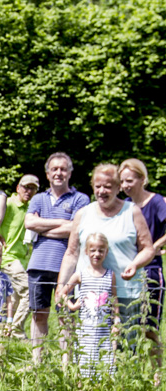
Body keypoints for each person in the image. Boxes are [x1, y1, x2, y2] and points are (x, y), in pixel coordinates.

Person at [58, 163, 154, 353]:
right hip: (91, 296)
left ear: (118, 188)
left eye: (108, 186)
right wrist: (61, 286)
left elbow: (148, 249)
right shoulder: (83, 214)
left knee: (125, 349)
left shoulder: (131, 211)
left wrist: (135, 264)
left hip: (126, 293)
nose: (102, 191)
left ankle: (121, 383)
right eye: (98, 186)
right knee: (90, 349)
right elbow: (71, 253)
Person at [24, 152, 90, 363]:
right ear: (47, 173)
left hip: (68, 266)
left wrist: (43, 225)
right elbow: (29, 224)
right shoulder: (38, 198)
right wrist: (62, 224)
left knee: (66, 316)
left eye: (63, 169)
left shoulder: (81, 199)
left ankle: (66, 364)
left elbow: (76, 228)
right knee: (38, 314)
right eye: (55, 169)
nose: (59, 173)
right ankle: (38, 363)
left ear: (70, 172)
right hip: (38, 264)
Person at [119, 158, 166, 361]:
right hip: (126, 272)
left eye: (129, 181)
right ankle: (128, 372)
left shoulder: (156, 202)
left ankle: (157, 379)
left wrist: (155, 246)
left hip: (151, 270)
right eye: (122, 182)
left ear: (142, 179)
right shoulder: (125, 205)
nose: (125, 186)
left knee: (149, 328)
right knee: (125, 325)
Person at [58, 233, 119, 377]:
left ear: (106, 252)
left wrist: (116, 320)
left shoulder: (110, 275)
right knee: (84, 362)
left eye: (100, 250)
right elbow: (62, 293)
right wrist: (72, 306)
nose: (96, 254)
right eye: (93, 250)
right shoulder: (81, 274)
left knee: (106, 362)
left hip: (104, 329)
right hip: (85, 329)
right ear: (86, 251)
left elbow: (114, 299)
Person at [0, 174, 39, 338]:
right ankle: (17, 330)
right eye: (25, 187)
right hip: (8, 258)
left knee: (12, 300)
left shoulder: (31, 208)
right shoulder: (7, 204)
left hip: (22, 260)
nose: (28, 191)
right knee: (30, 292)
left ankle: (3, 333)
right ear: (18, 188)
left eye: (32, 188)